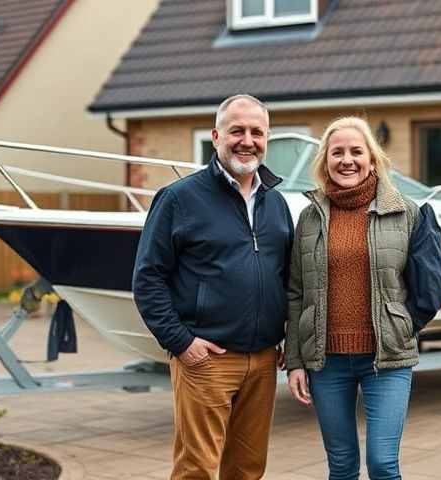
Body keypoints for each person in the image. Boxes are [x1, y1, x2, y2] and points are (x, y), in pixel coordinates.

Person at [133, 94, 293, 480]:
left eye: (257, 132)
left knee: (248, 469)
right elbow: (148, 277)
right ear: (216, 136)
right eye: (237, 130)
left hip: (264, 360)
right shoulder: (178, 198)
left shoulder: (277, 203)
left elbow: (287, 278)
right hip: (206, 359)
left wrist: (290, 337)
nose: (247, 140)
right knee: (197, 470)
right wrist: (181, 343)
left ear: (266, 139)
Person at [285, 116, 441, 480]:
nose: (347, 160)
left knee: (383, 464)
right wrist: (295, 360)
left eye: (356, 151)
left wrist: (402, 325)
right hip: (326, 362)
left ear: (372, 159)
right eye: (337, 152)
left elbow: (433, 286)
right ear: (325, 161)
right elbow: (296, 293)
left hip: (387, 360)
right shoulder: (309, 220)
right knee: (341, 467)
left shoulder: (407, 212)